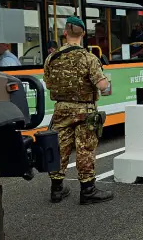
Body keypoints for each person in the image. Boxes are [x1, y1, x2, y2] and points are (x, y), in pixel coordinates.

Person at [43, 16, 114, 205]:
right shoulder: (89, 58)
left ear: (65, 33)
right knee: (85, 149)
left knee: (60, 147)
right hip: (85, 111)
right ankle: (88, 191)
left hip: (61, 108)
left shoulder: (52, 58)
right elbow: (102, 85)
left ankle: (56, 190)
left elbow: (49, 84)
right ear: (83, 34)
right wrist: (106, 82)